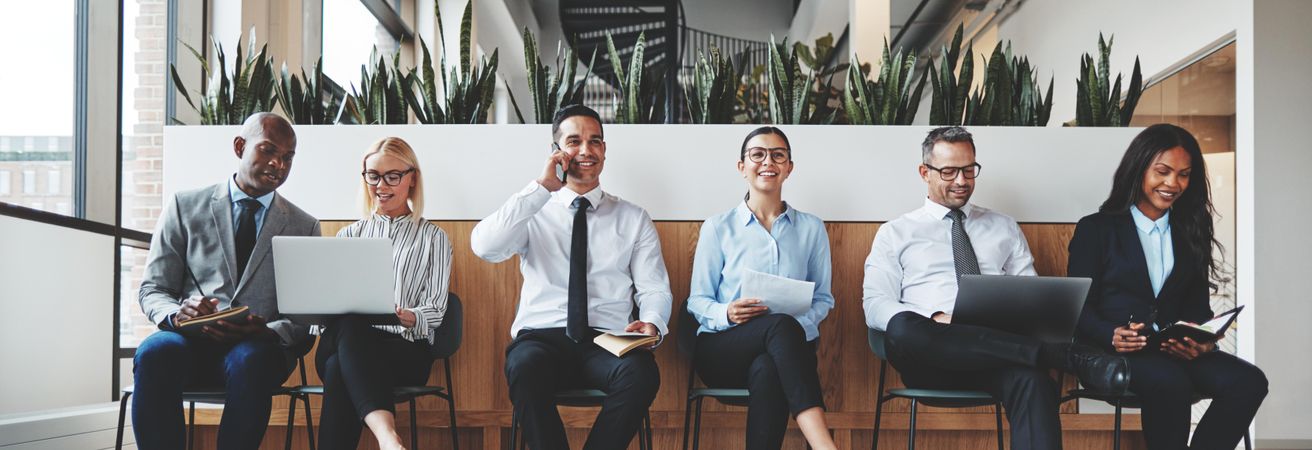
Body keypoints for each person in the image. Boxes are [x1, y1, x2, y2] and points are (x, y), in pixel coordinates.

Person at [862, 126, 1129, 450]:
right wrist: (934, 318)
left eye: (969, 170)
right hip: (931, 357)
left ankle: (1048, 355)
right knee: (902, 327)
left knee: (1035, 383)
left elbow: (1033, 297)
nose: (961, 181)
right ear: (924, 172)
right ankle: (1066, 357)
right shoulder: (896, 232)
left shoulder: (1003, 227)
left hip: (995, 358)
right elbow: (875, 305)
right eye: (949, 171)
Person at [470, 104, 672, 449]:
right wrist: (539, 189)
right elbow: (485, 247)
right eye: (574, 141)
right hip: (542, 338)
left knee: (642, 373)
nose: (585, 150)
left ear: (604, 151)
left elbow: (654, 287)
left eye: (595, 141)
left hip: (608, 340)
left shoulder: (633, 218)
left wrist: (652, 322)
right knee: (523, 366)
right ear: (556, 152)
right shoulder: (533, 210)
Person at [1069, 124, 1267, 449]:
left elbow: (1198, 310)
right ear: (1139, 169)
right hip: (1116, 351)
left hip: (1172, 350)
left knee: (1248, 381)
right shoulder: (1097, 229)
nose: (1173, 183)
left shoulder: (1190, 233)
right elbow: (1077, 307)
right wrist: (1111, 334)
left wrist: (1203, 342)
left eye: (1184, 174)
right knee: (1169, 381)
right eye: (1162, 171)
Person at [134, 112, 320, 450]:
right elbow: (153, 289)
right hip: (189, 342)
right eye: (268, 150)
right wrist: (177, 313)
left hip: (257, 351)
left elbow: (306, 321)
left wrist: (265, 330)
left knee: (252, 359)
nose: (278, 163)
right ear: (239, 147)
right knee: (153, 352)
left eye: (287, 157)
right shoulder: (184, 205)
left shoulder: (304, 225)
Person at [686, 127, 838, 450]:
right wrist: (726, 311)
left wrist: (797, 327)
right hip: (723, 349)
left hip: (784, 355)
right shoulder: (718, 227)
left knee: (770, 364)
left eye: (778, 155)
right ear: (742, 167)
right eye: (758, 154)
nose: (768, 161)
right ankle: (825, 446)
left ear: (789, 167)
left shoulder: (811, 228)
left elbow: (823, 298)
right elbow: (697, 301)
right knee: (781, 328)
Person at [315, 137, 452, 450]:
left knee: (340, 367)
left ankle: (387, 437)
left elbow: (436, 310)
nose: (381, 185)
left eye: (392, 176)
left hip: (403, 350)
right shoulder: (347, 236)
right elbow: (325, 317)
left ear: (412, 178)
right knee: (350, 323)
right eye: (373, 175)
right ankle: (388, 438)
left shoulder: (433, 238)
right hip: (348, 341)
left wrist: (408, 316)